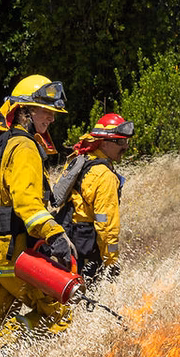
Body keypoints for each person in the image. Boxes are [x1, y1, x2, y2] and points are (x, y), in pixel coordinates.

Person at [0, 74, 78, 350]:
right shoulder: (24, 146)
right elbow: (27, 203)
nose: (51, 119)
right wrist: (56, 235)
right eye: (46, 112)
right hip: (14, 257)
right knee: (60, 315)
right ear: (24, 111)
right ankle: (4, 342)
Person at [55, 112, 132, 285]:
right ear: (104, 143)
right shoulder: (104, 176)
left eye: (126, 141)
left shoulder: (82, 158)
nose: (125, 147)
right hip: (86, 246)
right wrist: (111, 262)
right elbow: (107, 225)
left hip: (67, 238)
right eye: (120, 142)